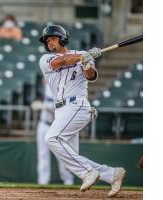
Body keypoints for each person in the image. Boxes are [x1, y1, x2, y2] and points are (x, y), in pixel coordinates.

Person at [38, 24, 126, 197]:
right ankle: (112, 174)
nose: (50, 42)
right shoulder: (45, 59)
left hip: (77, 106)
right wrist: (82, 56)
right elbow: (61, 61)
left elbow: (91, 76)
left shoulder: (82, 56)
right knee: (69, 158)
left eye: (53, 38)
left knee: (51, 138)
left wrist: (87, 63)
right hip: (61, 111)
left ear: (63, 39)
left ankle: (88, 173)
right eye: (47, 40)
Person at [36, 82, 74, 185]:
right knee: (42, 155)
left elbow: (60, 106)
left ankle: (68, 181)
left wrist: (43, 106)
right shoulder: (47, 87)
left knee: (62, 155)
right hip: (44, 124)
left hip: (58, 128)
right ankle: (43, 182)